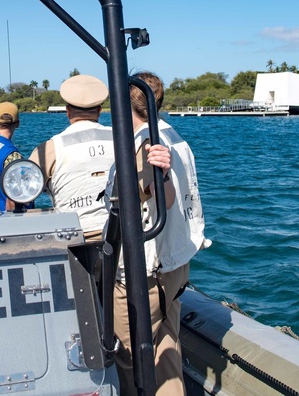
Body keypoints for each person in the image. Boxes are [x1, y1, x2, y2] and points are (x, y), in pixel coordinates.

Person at [111, 72, 209, 396]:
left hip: (144, 273)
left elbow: (161, 195)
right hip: (176, 263)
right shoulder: (175, 136)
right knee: (167, 347)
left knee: (129, 363)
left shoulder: (143, 147)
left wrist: (161, 175)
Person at [28, 75, 117, 240]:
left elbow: (24, 189)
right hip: (118, 233)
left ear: (68, 111)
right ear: (99, 111)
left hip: (72, 236)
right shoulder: (123, 139)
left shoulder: (50, 148)